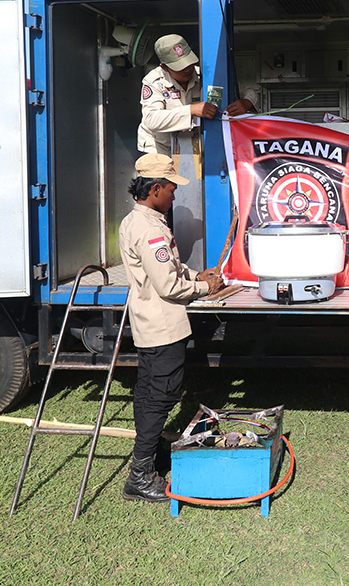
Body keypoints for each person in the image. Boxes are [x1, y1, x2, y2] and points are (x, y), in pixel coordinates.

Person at [117, 153, 223, 502]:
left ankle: (149, 457)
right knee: (160, 396)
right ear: (156, 188)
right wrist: (205, 288)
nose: (175, 196)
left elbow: (168, 270)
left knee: (149, 393)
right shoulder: (150, 229)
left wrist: (196, 274)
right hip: (163, 327)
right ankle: (140, 476)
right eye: (172, 189)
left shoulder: (136, 221)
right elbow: (169, 287)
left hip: (151, 323)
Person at [137, 34, 220, 156]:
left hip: (192, 146)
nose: (187, 69)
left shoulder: (202, 76)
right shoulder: (154, 81)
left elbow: (245, 90)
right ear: (164, 68)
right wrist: (191, 110)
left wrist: (247, 102)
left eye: (189, 63)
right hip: (159, 147)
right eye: (180, 67)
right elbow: (152, 120)